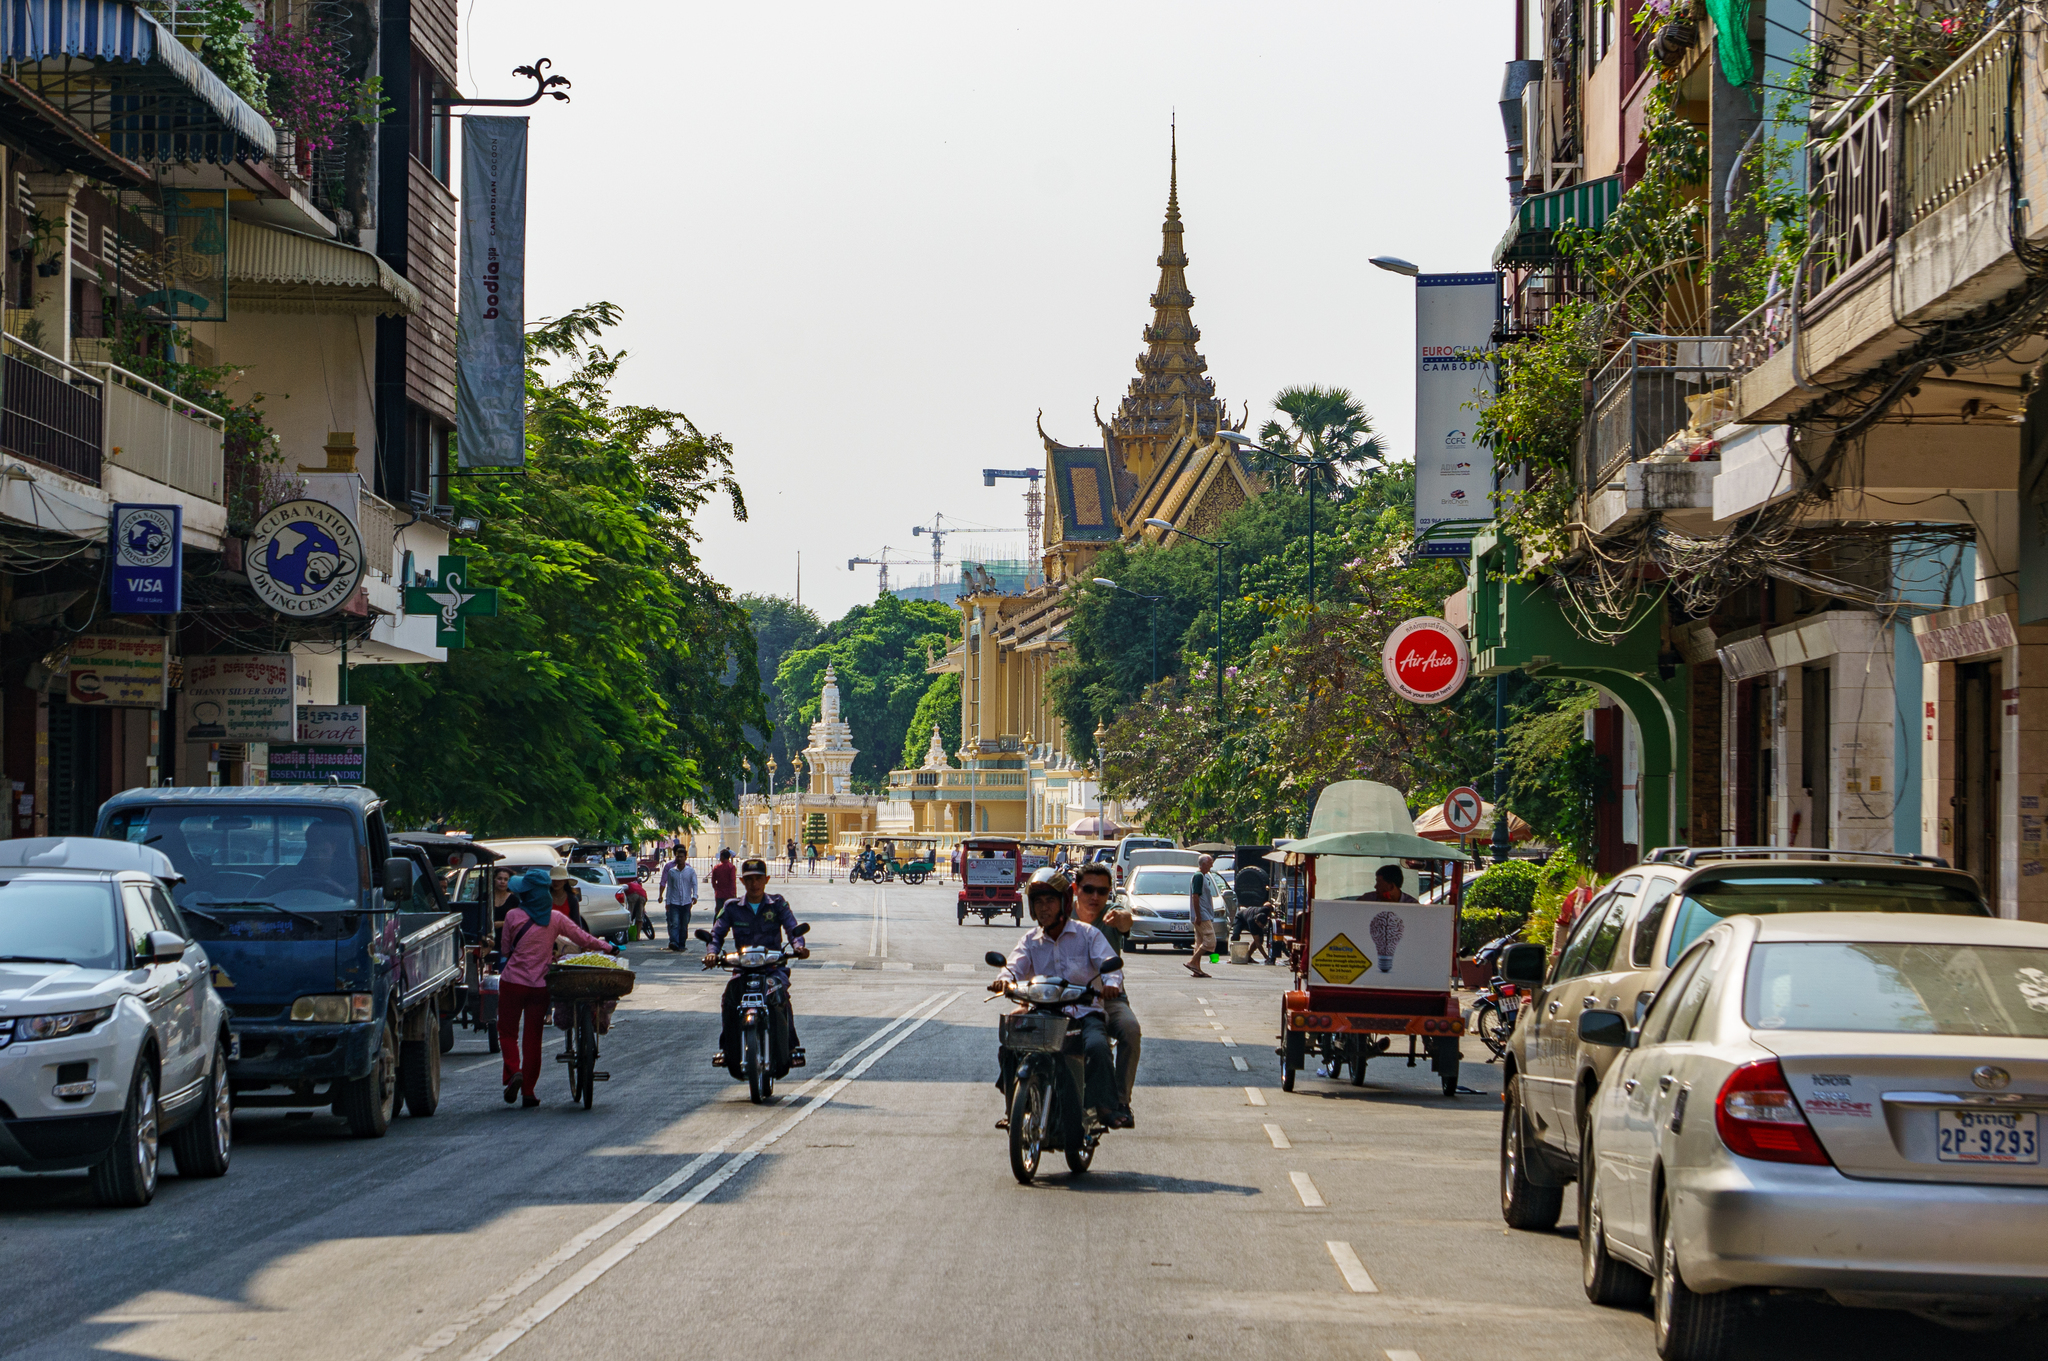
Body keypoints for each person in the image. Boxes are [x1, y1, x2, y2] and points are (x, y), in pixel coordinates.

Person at [990, 867, 1130, 1131]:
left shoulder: (1088, 935)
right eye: (1039, 902)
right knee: (1010, 1042)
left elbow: (1109, 966)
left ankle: (1105, 1107)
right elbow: (1013, 967)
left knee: (1098, 1046)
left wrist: (1111, 984)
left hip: (1084, 1013)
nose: (1044, 908)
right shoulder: (1030, 940)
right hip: (1043, 1014)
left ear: (1064, 903)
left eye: (1050, 901)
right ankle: (1013, 1108)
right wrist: (1004, 980)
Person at [496, 867, 617, 1107]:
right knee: (533, 1037)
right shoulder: (555, 918)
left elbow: (505, 951)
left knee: (507, 1032)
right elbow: (583, 938)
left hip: (512, 983)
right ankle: (528, 1092)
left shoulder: (512, 916)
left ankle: (514, 1071)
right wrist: (608, 948)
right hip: (541, 986)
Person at [705, 857, 809, 1068]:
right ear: (742, 881)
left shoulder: (778, 904)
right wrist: (712, 953)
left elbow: (792, 928)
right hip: (743, 970)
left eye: (758, 879)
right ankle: (727, 1049)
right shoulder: (732, 907)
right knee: (729, 998)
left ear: (767, 879)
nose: (754, 884)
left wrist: (798, 946)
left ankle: (790, 1047)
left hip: (772, 969)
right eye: (750, 879)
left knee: (781, 998)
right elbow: (716, 934)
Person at [1072, 861, 1141, 1117]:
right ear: (1075, 889)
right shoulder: (1061, 915)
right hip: (1065, 997)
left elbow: (1126, 921)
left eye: (1102, 891)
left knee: (1131, 1031)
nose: (1095, 897)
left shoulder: (1112, 913)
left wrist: (1123, 919)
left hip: (1107, 997)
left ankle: (1121, 1100)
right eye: (1088, 889)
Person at [1185, 853, 1223, 978]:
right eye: (1210, 862)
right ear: (1204, 864)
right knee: (1210, 941)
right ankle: (1192, 962)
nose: (1212, 865)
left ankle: (1197, 969)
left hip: (1203, 913)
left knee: (1199, 941)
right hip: (1202, 915)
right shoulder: (1199, 876)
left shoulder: (1203, 876)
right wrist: (1198, 915)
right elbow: (1195, 896)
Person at [1233, 857, 1275, 964]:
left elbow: (1268, 904)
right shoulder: (1253, 921)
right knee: (1235, 936)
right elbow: (1258, 945)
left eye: (1263, 926)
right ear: (1257, 922)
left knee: (1260, 938)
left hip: (1252, 913)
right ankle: (1233, 956)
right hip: (1241, 917)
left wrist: (1272, 910)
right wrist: (1267, 957)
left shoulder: (1264, 910)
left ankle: (1248, 957)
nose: (1262, 928)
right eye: (1261, 926)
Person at [659, 848, 700, 952]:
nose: (679, 858)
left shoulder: (690, 871)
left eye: (681, 856)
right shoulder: (672, 872)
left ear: (685, 858)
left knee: (684, 925)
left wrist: (695, 896)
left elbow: (694, 884)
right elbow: (670, 888)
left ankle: (681, 944)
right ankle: (674, 942)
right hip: (674, 902)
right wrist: (667, 902)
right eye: (677, 856)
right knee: (674, 923)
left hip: (686, 902)